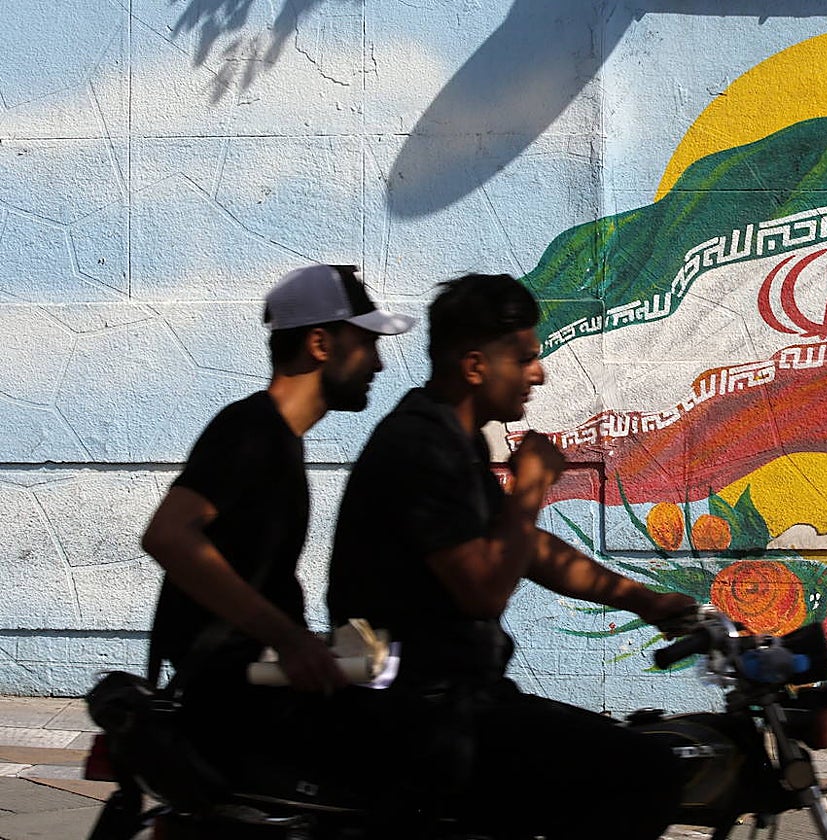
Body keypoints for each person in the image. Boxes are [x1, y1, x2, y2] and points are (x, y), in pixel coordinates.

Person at [328, 273, 695, 840]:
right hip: (422, 714)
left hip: (453, 701)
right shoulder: (420, 446)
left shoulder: (456, 438)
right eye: (524, 359)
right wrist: (531, 488)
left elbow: (522, 548)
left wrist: (642, 600)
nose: (538, 373)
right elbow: (481, 588)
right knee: (647, 772)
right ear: (475, 366)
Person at [142, 264, 411, 812]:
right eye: (365, 344)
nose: (378, 364)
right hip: (237, 688)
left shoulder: (279, 442)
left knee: (402, 664)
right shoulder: (250, 431)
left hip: (256, 668)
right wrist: (288, 639)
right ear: (319, 343)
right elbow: (168, 535)